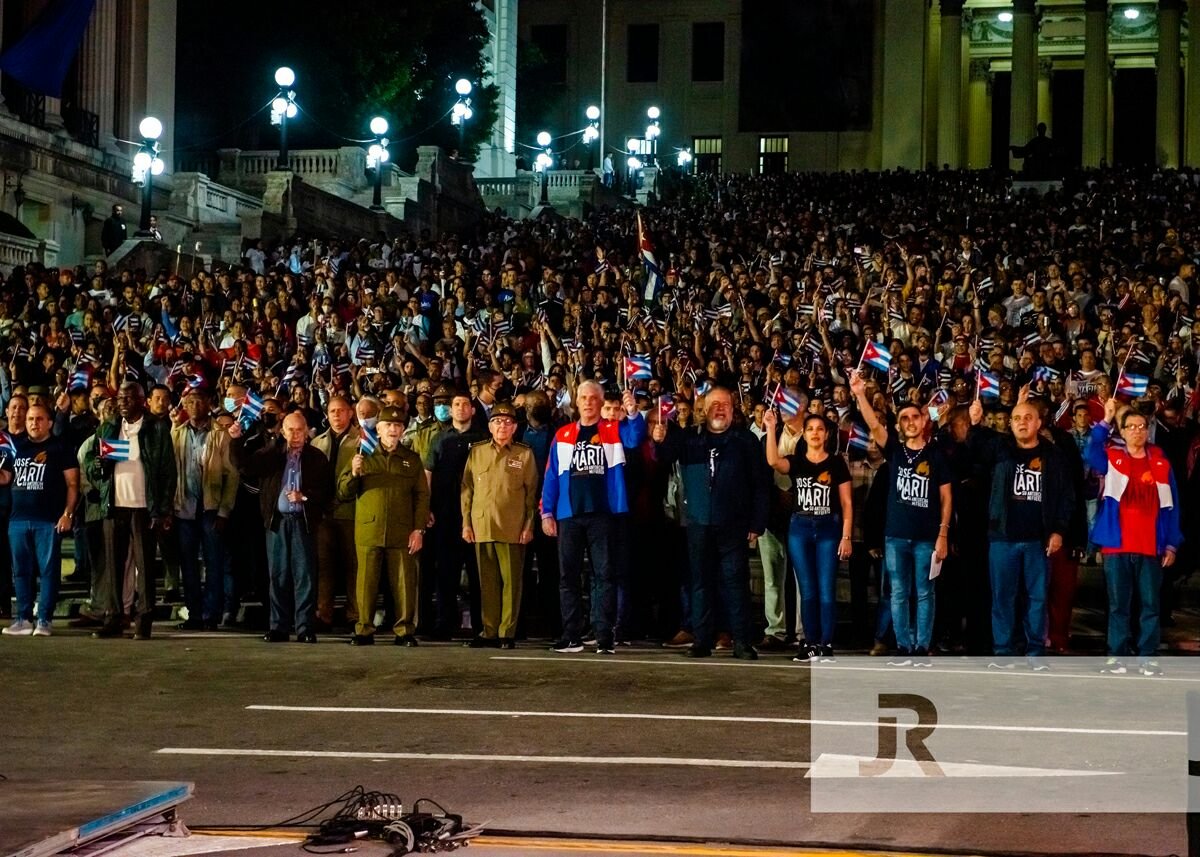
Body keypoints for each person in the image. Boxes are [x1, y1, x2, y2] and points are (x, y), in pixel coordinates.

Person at [651, 386, 768, 660]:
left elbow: (760, 485)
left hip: (734, 525)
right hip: (699, 524)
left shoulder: (745, 440)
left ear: (733, 409)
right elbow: (666, 456)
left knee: (736, 583)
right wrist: (660, 439)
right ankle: (701, 640)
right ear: (704, 409)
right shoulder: (691, 438)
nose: (719, 409)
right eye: (714, 404)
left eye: (724, 404)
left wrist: (757, 522)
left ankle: (741, 642)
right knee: (700, 583)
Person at [851, 370, 952, 667]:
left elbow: (947, 498)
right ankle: (904, 647)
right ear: (899, 425)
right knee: (897, 592)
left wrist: (943, 534)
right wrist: (858, 393)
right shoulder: (894, 450)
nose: (910, 422)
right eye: (904, 418)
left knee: (924, 592)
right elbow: (872, 423)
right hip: (895, 536)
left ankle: (922, 647)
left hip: (926, 537)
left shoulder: (936, 454)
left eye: (915, 417)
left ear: (923, 422)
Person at [968, 398, 1074, 670]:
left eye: (1028, 417)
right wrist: (976, 422)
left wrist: (1058, 530)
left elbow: (1066, 496)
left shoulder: (1053, 455)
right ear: (1010, 424)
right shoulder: (1000, 449)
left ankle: (1035, 653)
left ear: (1039, 423)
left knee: (1037, 599)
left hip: (1038, 541)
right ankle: (1003, 652)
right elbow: (974, 450)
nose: (1022, 422)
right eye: (1016, 418)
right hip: (1002, 539)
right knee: (1002, 597)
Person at [541, 381, 645, 654]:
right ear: (576, 402)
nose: (588, 402)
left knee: (605, 576)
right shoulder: (562, 434)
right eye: (583, 397)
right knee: (568, 578)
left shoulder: (613, 430)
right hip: (569, 514)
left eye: (593, 398)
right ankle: (571, 635)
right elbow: (551, 476)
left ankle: (604, 636)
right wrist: (546, 512)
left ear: (601, 403)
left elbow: (635, 437)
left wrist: (633, 413)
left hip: (604, 514)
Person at [1086, 398, 1183, 677]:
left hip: (1151, 545)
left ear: (1147, 429)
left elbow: (1172, 506)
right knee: (1119, 606)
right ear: (1123, 431)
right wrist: (1105, 420)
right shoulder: (1114, 459)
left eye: (1142, 426)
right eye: (1131, 427)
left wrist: (1172, 542)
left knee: (1150, 606)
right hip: (1117, 546)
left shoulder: (1161, 462)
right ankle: (1116, 657)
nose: (1138, 431)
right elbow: (1091, 452)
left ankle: (1147, 658)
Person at [229, 411, 332, 643]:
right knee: (278, 576)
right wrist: (235, 440)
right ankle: (279, 627)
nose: (295, 435)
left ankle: (305, 628)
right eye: (290, 430)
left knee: (304, 576)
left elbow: (326, 491)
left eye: (299, 430)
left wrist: (304, 496)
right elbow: (245, 467)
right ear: (283, 431)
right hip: (277, 523)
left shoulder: (317, 458)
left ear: (306, 432)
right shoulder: (273, 454)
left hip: (304, 523)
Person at [88, 381, 176, 640]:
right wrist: (100, 463)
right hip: (114, 506)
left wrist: (161, 510)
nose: (122, 402)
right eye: (120, 398)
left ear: (141, 401)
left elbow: (167, 472)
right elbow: (94, 468)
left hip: (143, 508)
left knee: (145, 566)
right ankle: (114, 617)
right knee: (113, 566)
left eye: (128, 398)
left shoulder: (157, 429)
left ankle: (144, 619)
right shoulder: (109, 427)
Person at [764, 410, 852, 663]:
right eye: (811, 428)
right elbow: (773, 461)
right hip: (800, 529)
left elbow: (846, 503)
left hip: (828, 529)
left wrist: (846, 536)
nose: (815, 432)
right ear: (805, 433)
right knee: (808, 590)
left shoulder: (836, 463)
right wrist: (771, 428)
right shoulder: (797, 461)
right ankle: (809, 643)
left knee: (826, 589)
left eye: (820, 429)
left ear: (826, 434)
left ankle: (826, 643)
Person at [338, 405, 430, 646]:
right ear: (377, 430)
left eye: (398, 426)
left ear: (403, 431)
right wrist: (355, 474)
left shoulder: (411, 460)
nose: (393, 429)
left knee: (404, 583)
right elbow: (343, 492)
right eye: (388, 425)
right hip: (369, 529)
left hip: (402, 530)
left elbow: (422, 496)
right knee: (366, 583)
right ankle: (364, 629)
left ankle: (404, 630)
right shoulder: (362, 455)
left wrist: (418, 529)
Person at [460, 401, 538, 648]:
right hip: (482, 526)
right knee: (487, 583)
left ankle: (507, 632)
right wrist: (466, 523)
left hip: (513, 527)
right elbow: (467, 490)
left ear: (515, 427)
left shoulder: (524, 453)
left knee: (512, 584)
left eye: (507, 422)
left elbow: (531, 495)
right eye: (497, 421)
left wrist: (529, 526)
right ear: (490, 426)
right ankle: (489, 631)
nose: (502, 425)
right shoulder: (477, 451)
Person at [0, 403, 79, 636]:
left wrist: (68, 514)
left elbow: (73, 484)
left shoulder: (60, 449)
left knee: (48, 571)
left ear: (50, 423)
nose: (34, 423)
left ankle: (44, 619)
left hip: (48, 521)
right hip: (17, 521)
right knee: (21, 572)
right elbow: (5, 477)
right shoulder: (17, 448)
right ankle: (23, 619)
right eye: (31, 419)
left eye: (40, 419)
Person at [171, 386, 237, 631]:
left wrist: (224, 511)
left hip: (211, 508)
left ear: (209, 403)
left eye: (199, 401)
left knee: (214, 563)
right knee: (187, 564)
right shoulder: (176, 433)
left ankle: (211, 614)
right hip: (184, 508)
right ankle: (194, 614)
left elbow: (232, 475)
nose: (194, 406)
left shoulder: (221, 434)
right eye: (189, 402)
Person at [423, 390, 486, 639]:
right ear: (450, 410)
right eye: (456, 404)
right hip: (445, 514)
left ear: (472, 410)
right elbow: (428, 473)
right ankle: (444, 624)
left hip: (475, 515)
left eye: (465, 404)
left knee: (477, 572)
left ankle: (482, 626)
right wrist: (426, 506)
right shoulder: (439, 439)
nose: (460, 408)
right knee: (446, 572)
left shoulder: (483, 438)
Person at [311, 394, 359, 629]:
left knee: (353, 565)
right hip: (323, 514)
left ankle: (354, 614)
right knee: (324, 565)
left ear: (351, 413)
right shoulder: (318, 442)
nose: (337, 415)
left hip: (351, 512)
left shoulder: (361, 440)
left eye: (342, 411)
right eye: (332, 411)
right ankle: (324, 613)